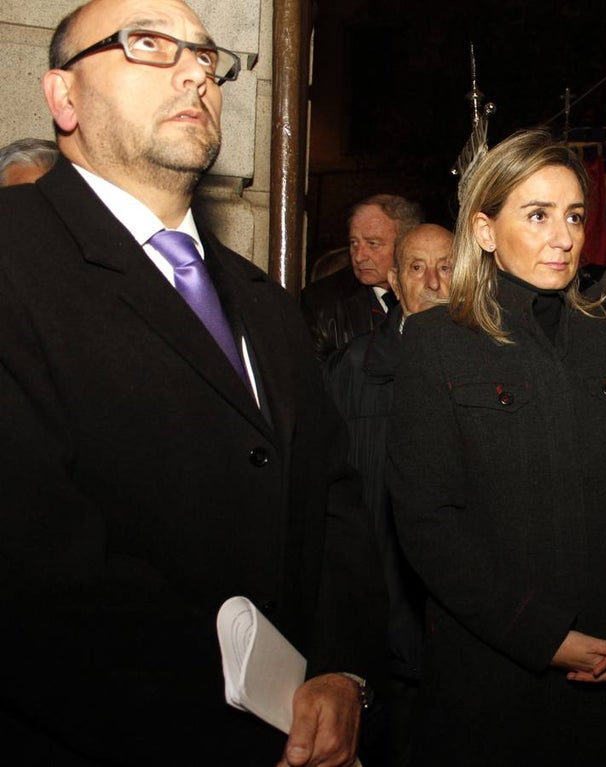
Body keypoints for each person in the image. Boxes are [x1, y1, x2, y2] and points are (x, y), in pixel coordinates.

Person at [0, 2, 385, 764]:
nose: (194, 73)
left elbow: (333, 496)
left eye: (209, 59)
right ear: (63, 97)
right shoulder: (15, 254)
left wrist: (341, 669)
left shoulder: (266, 300)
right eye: (147, 44)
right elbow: (35, 568)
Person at [386, 129, 606, 766]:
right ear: (485, 228)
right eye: (537, 215)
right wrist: (546, 637)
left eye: (575, 216)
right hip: (498, 678)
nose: (564, 236)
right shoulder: (437, 341)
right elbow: (428, 525)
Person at [323, 222, 453, 767]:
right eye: (417, 268)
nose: (433, 282)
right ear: (395, 282)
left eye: (446, 267)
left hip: (462, 628)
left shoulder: (495, 366)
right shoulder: (355, 367)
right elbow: (335, 498)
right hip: (384, 624)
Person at [300, 193, 423, 359]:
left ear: (406, 245)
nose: (359, 257)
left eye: (372, 244)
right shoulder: (320, 304)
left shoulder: (433, 293)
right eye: (354, 243)